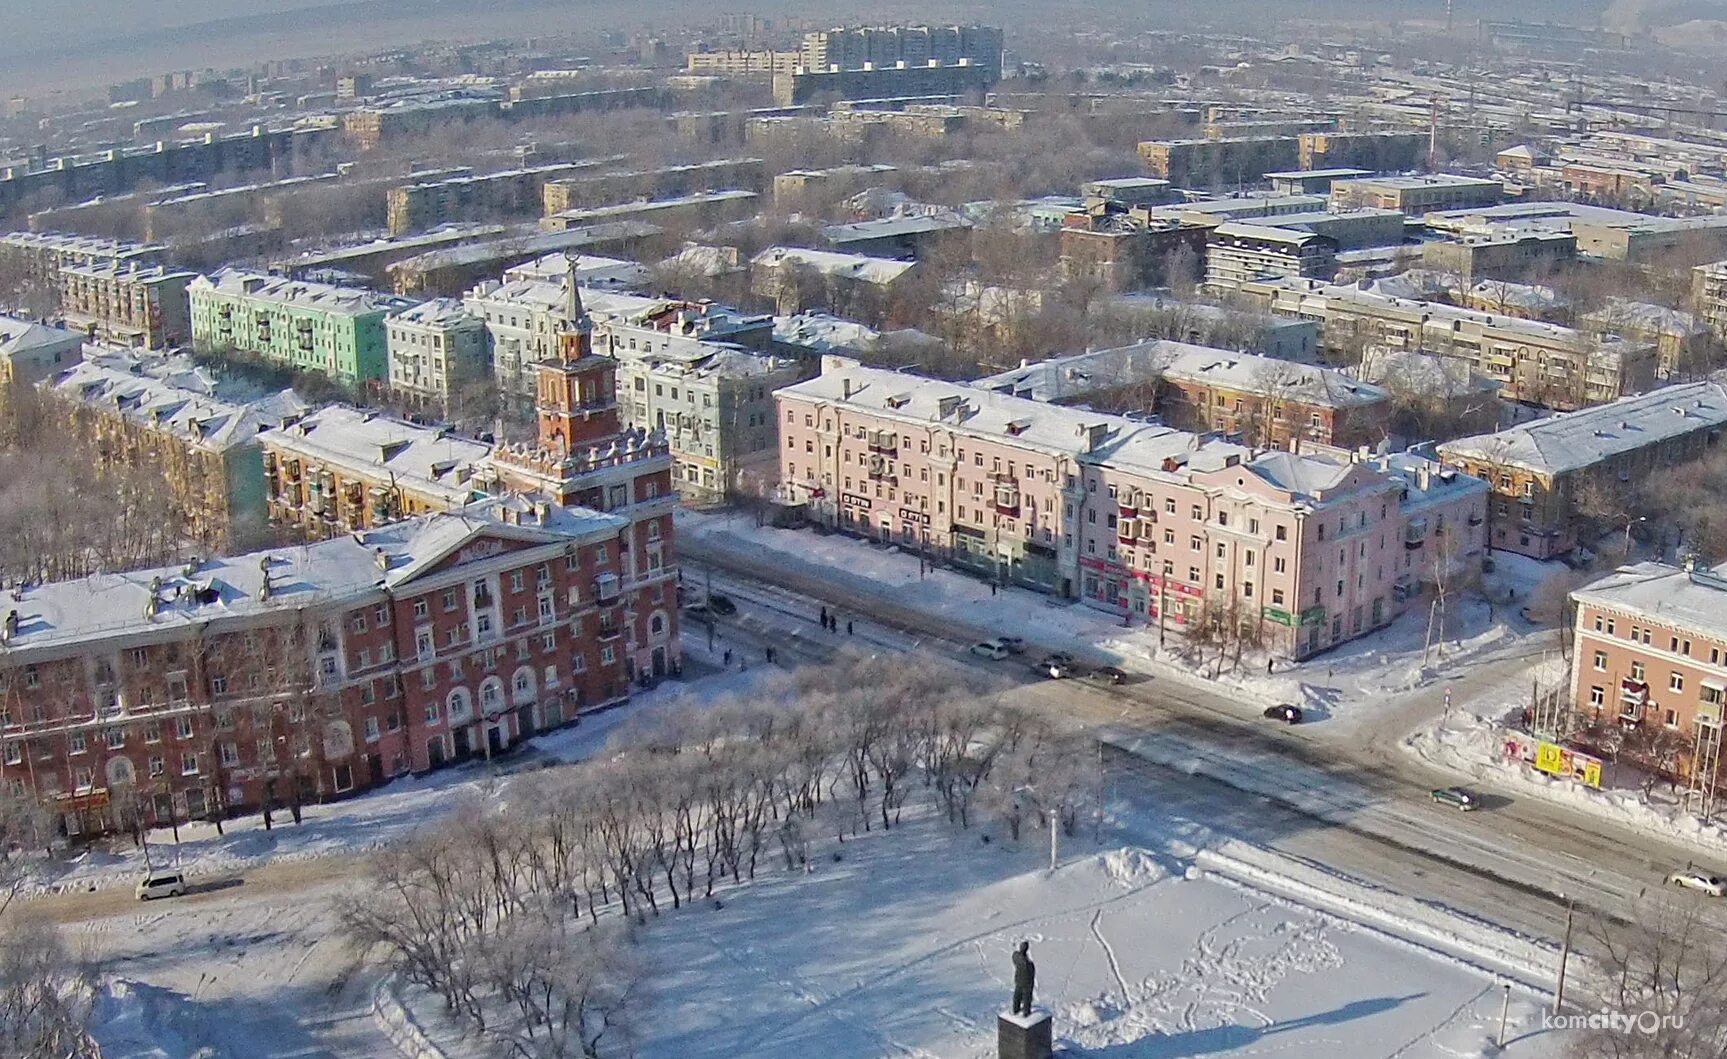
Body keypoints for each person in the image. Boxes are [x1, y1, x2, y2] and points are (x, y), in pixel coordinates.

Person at [1010, 941, 1035, 1016]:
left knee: (1017, 996)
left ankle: (1015, 1009)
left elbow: (1014, 957)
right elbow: (1031, 974)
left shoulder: (1016, 956)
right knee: (1026, 998)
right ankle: (1026, 1012)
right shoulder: (1029, 964)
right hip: (1027, 983)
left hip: (1018, 980)